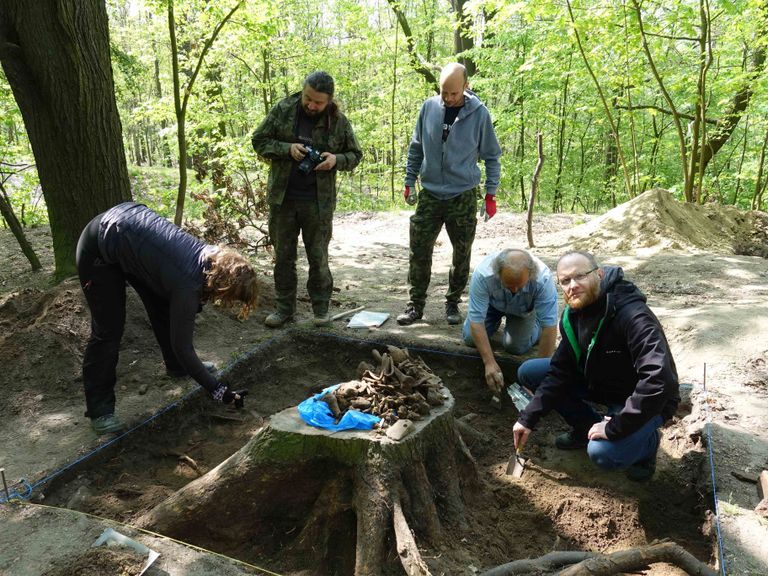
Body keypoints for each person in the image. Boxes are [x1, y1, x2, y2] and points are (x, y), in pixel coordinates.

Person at [76, 202, 259, 435]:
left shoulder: (212, 257)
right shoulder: (188, 283)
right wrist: (219, 391)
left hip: (128, 235)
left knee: (163, 304)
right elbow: (182, 346)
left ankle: (176, 368)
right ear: (223, 286)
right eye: (231, 297)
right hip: (99, 247)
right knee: (108, 330)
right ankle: (99, 410)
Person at [512, 251, 680, 481]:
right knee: (530, 372)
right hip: (601, 381)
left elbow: (659, 379)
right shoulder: (572, 315)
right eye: (565, 281)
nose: (573, 285)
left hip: (641, 397)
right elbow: (561, 370)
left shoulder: (632, 315)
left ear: (599, 274)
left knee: (603, 454)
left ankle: (647, 446)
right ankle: (586, 428)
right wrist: (527, 418)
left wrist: (616, 426)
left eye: (580, 276)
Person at [251, 71, 362, 328]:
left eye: (318, 102)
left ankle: (321, 311)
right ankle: (284, 309)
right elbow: (258, 140)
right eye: (308, 98)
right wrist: (286, 149)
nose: (311, 105)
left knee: (318, 258)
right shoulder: (284, 109)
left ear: (330, 101)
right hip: (283, 199)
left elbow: (355, 154)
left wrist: (336, 160)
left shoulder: (338, 122)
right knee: (284, 257)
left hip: (318, 204)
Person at [397, 62, 502, 327]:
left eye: (453, 93)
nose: (448, 98)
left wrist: (491, 194)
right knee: (419, 249)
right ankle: (415, 304)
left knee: (461, 252)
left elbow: (492, 155)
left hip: (463, 194)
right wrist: (409, 180)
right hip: (430, 193)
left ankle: (453, 302)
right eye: (444, 92)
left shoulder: (479, 114)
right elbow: (416, 146)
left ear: (465, 87)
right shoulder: (429, 108)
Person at [462, 249, 558, 395]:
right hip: (492, 307)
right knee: (470, 338)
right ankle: (492, 323)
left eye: (519, 286)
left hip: (523, 311)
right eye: (509, 285)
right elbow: (476, 321)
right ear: (498, 274)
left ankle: (535, 324)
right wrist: (489, 362)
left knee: (515, 347)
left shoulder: (543, 279)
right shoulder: (482, 274)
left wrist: (538, 377)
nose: (514, 290)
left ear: (531, 275)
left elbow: (550, 327)